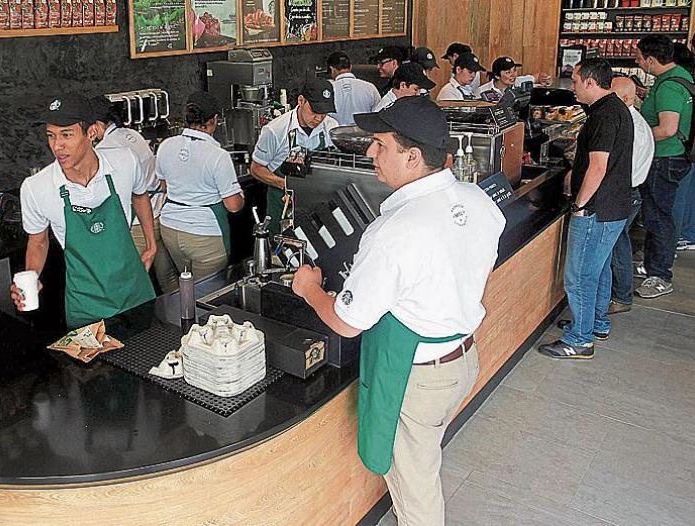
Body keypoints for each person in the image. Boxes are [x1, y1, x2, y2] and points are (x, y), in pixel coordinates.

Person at [291, 96, 505, 526]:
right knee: (423, 458)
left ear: (411, 157)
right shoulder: (478, 200)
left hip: (417, 377)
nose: (370, 153)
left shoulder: (396, 230)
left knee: (416, 491)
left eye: (380, 145)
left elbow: (347, 323)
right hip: (462, 358)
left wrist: (309, 289)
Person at [12, 93, 157, 328]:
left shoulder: (124, 162)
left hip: (136, 294)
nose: (57, 146)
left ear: (91, 133)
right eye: (51, 136)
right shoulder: (36, 187)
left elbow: (140, 195)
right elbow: (38, 242)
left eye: (66, 135)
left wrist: (151, 244)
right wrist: (32, 276)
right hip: (87, 306)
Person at [539, 58, 633, 359]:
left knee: (579, 275)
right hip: (614, 206)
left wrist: (579, 204)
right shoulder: (616, 108)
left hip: (596, 209)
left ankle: (580, 339)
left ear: (591, 82)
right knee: (599, 269)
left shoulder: (603, 116)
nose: (573, 87)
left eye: (576, 81)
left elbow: (598, 166)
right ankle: (596, 323)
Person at [89, 96, 178, 293]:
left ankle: (140, 321)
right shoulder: (132, 134)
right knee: (168, 276)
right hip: (160, 214)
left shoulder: (105, 149)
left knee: (132, 280)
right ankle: (181, 316)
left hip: (139, 224)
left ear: (96, 125)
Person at [156, 91, 245, 281]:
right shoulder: (217, 155)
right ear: (214, 120)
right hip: (204, 235)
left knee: (186, 286)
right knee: (207, 293)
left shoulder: (165, 145)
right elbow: (233, 206)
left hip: (170, 229)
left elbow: (165, 186)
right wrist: (240, 196)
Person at [634, 35, 693, 298]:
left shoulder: (669, 86)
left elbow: (667, 129)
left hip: (664, 160)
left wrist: (635, 136)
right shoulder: (679, 75)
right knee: (657, 214)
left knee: (659, 217)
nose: (637, 62)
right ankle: (652, 265)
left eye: (638, 57)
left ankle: (660, 275)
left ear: (650, 59)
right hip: (672, 158)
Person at [251, 79, 339, 236]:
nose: (319, 119)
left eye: (324, 113)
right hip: (283, 209)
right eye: (314, 112)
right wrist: (285, 184)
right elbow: (256, 169)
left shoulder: (331, 128)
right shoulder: (275, 130)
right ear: (301, 100)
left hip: (318, 210)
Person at [607, 77, 655, 315]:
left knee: (616, 247)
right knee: (618, 244)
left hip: (624, 193)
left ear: (626, 98)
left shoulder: (630, 126)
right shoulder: (631, 120)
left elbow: (619, 168)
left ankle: (620, 296)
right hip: (629, 193)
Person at [672, 42, 695, 252]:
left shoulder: (681, 78)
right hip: (689, 145)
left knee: (679, 195)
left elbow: (669, 127)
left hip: (684, 148)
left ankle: (682, 236)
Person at [326, 51, 381, 126]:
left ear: (332, 69)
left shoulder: (327, 91)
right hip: (364, 135)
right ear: (351, 67)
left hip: (336, 135)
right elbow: (379, 115)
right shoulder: (370, 87)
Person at [474, 56, 545, 101]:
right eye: (508, 72)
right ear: (497, 76)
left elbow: (537, 76)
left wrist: (544, 78)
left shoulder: (519, 81)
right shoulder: (481, 91)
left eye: (514, 70)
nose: (513, 75)